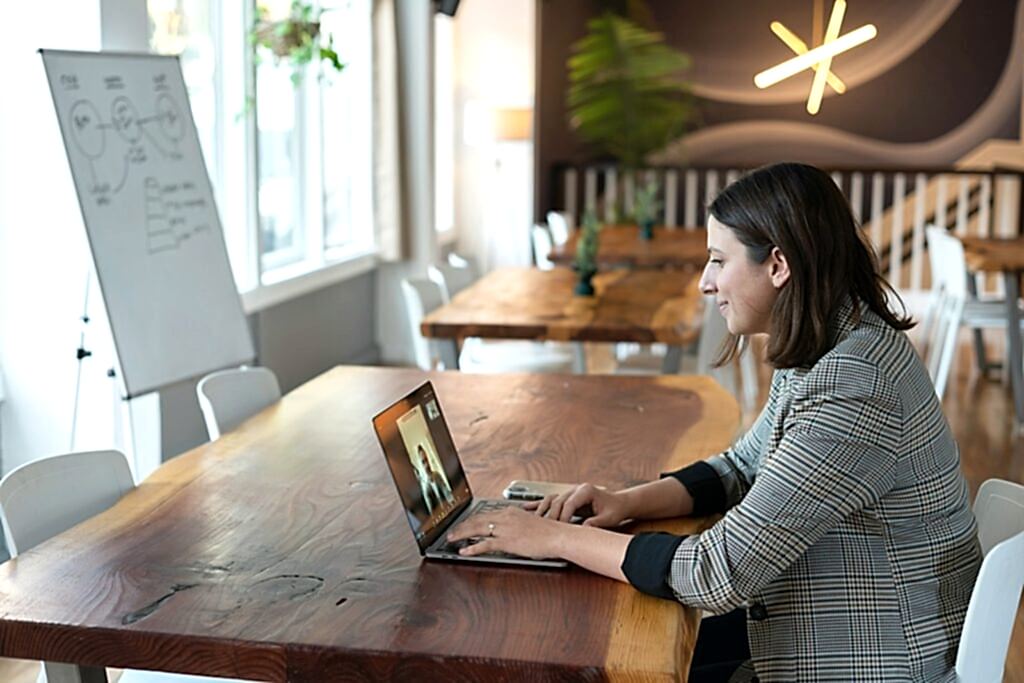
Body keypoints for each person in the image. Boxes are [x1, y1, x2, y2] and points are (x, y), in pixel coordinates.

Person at [448, 162, 982, 682]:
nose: (705, 283)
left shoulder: (857, 382)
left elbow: (718, 571)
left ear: (778, 265)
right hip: (826, 626)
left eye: (718, 261)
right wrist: (625, 501)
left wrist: (550, 540)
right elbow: (741, 468)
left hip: (873, 660)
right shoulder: (833, 344)